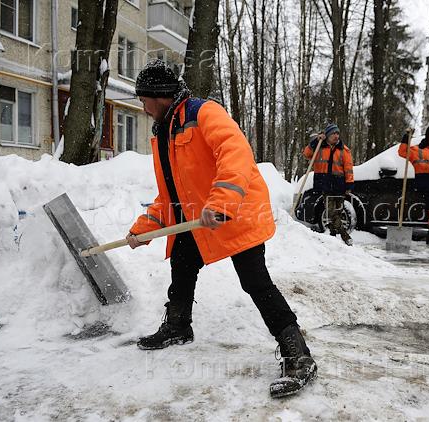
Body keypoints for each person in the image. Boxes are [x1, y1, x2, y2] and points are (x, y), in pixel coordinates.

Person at [127, 59, 317, 397]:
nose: (142, 107)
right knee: (182, 265)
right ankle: (178, 326)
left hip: (237, 212)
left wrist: (221, 202)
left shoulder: (203, 112)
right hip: (200, 218)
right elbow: (170, 192)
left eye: (143, 99)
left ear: (158, 95)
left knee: (254, 281)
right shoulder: (164, 133)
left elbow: (236, 154)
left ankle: (298, 354)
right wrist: (146, 227)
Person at [303, 124, 354, 246]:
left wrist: (349, 185)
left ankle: (332, 237)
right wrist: (316, 141)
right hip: (325, 184)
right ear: (327, 135)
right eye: (333, 134)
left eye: (338, 134)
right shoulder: (319, 146)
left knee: (337, 213)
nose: (336, 136)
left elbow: (348, 169)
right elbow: (306, 154)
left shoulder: (344, 150)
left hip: (339, 186)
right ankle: (344, 235)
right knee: (332, 212)